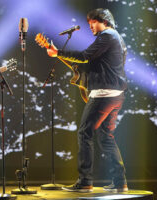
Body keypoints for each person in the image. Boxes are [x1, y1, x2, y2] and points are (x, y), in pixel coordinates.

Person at [46, 8, 128, 192]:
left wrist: (58, 52)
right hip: (116, 95)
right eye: (89, 22)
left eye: (93, 22)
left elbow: (84, 56)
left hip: (104, 94)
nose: (90, 26)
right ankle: (119, 182)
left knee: (84, 133)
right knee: (106, 137)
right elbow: (96, 63)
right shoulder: (117, 38)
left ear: (104, 21)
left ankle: (85, 182)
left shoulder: (107, 36)